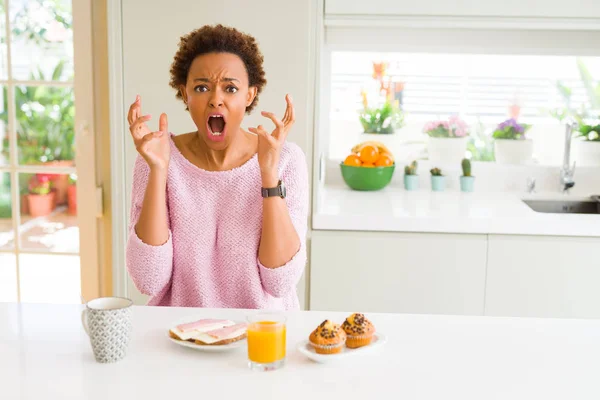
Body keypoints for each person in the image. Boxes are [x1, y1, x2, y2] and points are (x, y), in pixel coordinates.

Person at [125, 24, 308, 310]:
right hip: (180, 337)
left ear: (249, 95)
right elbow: (148, 279)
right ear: (185, 93)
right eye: (201, 88)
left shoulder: (285, 160)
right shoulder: (156, 157)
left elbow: (281, 282)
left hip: (260, 338)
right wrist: (159, 170)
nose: (215, 99)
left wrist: (268, 174)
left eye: (230, 88)